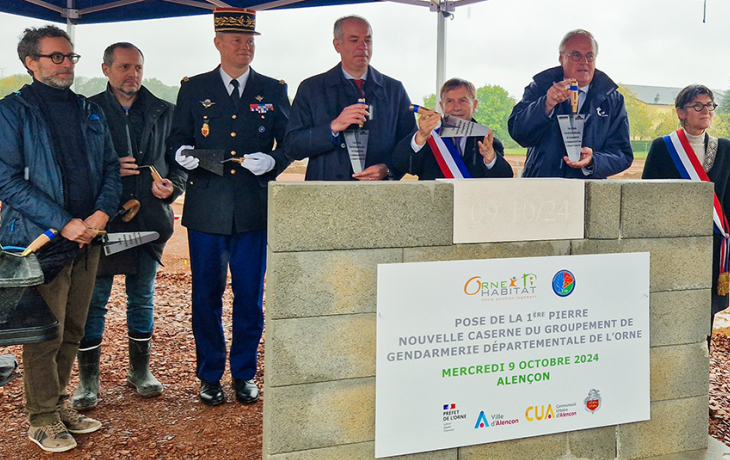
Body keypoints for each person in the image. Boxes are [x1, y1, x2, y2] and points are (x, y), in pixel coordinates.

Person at [0, 25, 121, 452]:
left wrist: (102, 212)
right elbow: (7, 180)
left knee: (73, 328)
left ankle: (58, 403)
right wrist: (63, 222)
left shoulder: (89, 109)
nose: (66, 64)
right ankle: (42, 418)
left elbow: (110, 167)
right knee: (43, 334)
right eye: (56, 57)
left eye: (70, 57)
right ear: (30, 62)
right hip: (41, 242)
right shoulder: (12, 111)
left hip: (88, 238)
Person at [167, 8, 290, 406]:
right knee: (206, 296)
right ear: (218, 42)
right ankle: (208, 375)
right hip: (206, 211)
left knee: (250, 298)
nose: (245, 46)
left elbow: (287, 143)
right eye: (237, 40)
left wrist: (273, 161)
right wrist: (181, 153)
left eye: (251, 39)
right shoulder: (193, 87)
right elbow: (176, 139)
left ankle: (243, 374)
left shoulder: (272, 89)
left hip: (253, 210)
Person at [70, 43, 186, 410]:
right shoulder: (85, 110)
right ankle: (88, 382)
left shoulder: (165, 111)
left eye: (136, 67)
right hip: (100, 224)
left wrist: (172, 188)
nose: (131, 74)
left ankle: (140, 371)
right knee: (93, 303)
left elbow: (179, 163)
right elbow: (71, 167)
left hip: (150, 222)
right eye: (123, 67)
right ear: (106, 70)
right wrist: (104, 169)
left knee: (142, 298)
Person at [642, 85, 729, 345]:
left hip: (713, 243)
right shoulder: (663, 147)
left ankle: (703, 359)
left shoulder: (725, 149)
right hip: (675, 244)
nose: (706, 111)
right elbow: (649, 197)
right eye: (698, 106)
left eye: (710, 105)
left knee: (705, 314)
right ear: (681, 112)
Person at [285, 15, 416, 180]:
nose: (363, 47)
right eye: (354, 40)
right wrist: (332, 127)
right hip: (325, 195)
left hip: (379, 196)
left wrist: (388, 168)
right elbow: (292, 146)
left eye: (368, 40)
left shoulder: (394, 90)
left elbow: (410, 144)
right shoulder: (312, 89)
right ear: (337, 45)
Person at [508, 29, 632, 179]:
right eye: (576, 55)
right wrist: (546, 104)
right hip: (542, 188)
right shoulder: (540, 88)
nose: (584, 62)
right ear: (561, 58)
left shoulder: (612, 99)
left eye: (590, 56)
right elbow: (519, 133)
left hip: (588, 192)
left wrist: (593, 161)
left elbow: (622, 154)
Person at [393, 78, 513, 179]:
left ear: (474, 105)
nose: (456, 107)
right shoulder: (428, 138)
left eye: (463, 100)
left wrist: (490, 158)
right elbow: (401, 164)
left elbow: (504, 179)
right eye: (449, 101)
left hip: (473, 206)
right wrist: (420, 137)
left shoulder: (489, 143)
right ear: (442, 106)